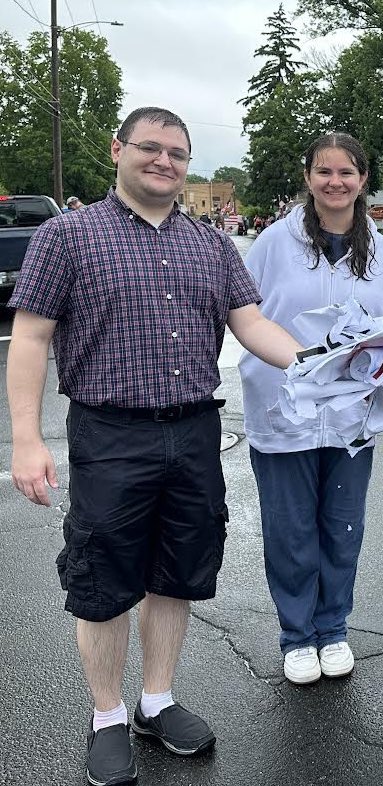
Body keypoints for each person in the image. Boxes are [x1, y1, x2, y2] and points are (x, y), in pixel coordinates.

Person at [6, 107, 304, 786]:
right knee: (104, 579)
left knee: (178, 570)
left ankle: (156, 701)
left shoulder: (210, 245)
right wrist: (26, 438)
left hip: (195, 429)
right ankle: (107, 715)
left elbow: (251, 322)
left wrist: (314, 362)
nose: (164, 161)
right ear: (119, 149)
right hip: (110, 432)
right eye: (151, 148)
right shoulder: (67, 236)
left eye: (177, 152)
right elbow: (29, 338)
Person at [239, 133, 383, 687]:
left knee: (341, 527)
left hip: (352, 413)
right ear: (307, 177)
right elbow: (246, 318)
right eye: (324, 171)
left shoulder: (380, 252)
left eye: (347, 173)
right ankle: (297, 634)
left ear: (363, 180)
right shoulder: (272, 244)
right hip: (284, 410)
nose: (336, 182)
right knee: (290, 529)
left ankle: (333, 628)